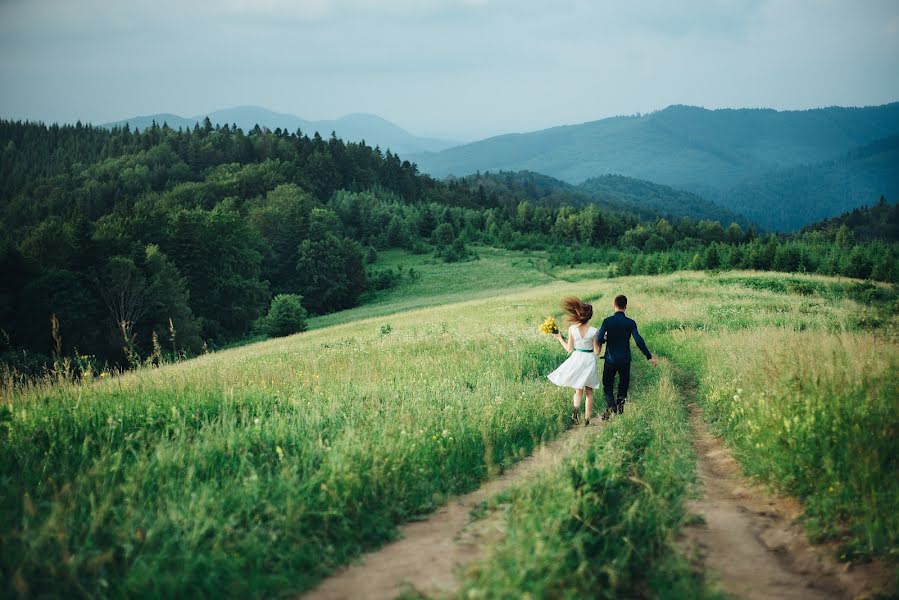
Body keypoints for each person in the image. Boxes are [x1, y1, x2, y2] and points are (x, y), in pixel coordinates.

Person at [595, 294, 658, 419]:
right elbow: (639, 341)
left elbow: (599, 338)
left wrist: (605, 339)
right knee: (623, 385)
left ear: (614, 305)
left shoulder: (607, 321)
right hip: (625, 360)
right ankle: (619, 408)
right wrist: (649, 356)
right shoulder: (630, 323)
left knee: (607, 385)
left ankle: (611, 406)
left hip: (610, 359)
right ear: (626, 306)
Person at [547, 297, 601, 426]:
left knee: (578, 390)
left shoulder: (572, 329)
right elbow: (597, 351)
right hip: (589, 359)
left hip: (577, 358)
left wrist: (560, 338)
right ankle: (587, 419)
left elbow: (569, 349)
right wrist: (602, 342)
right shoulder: (595, 331)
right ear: (590, 317)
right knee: (589, 391)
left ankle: (575, 414)